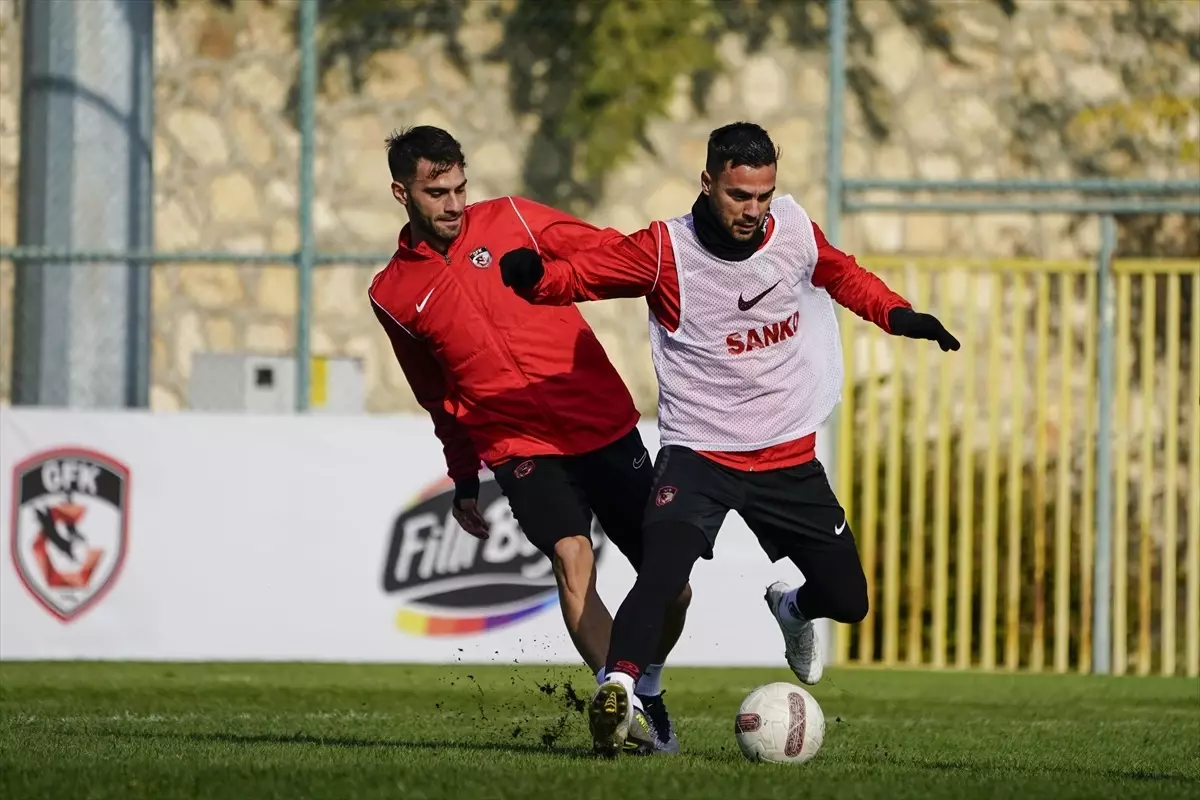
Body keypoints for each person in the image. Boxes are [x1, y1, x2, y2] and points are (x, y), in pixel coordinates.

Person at [498, 121, 961, 756]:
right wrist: (535, 281)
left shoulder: (793, 229)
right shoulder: (667, 250)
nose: (753, 210)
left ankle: (792, 609)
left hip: (786, 455)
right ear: (709, 182)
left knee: (849, 601)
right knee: (659, 574)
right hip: (699, 456)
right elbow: (586, 276)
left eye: (764, 194)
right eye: (740, 195)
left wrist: (899, 314)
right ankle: (623, 689)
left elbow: (843, 274)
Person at [367, 126, 692, 755]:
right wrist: (463, 476)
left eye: (461, 188)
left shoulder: (514, 216)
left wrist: (673, 272)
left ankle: (643, 684)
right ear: (400, 192)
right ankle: (614, 701)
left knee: (672, 583)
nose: (454, 204)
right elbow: (436, 396)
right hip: (517, 443)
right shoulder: (392, 294)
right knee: (573, 557)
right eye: (436, 192)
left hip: (600, 421)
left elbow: (603, 252)